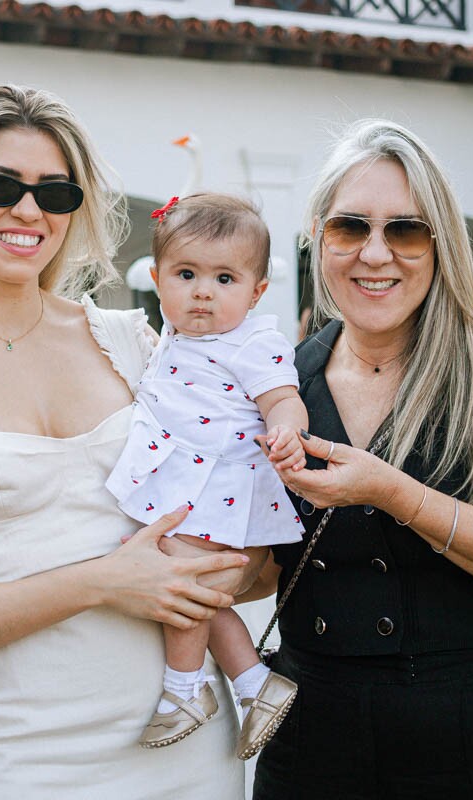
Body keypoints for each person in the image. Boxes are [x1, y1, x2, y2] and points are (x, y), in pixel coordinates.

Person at [0, 85, 251, 798]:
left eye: (55, 193)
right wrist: (102, 581)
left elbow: (222, 510)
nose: (27, 211)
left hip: (185, 746)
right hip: (21, 759)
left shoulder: (134, 344)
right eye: (0, 185)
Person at [249, 119, 473, 799]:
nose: (377, 254)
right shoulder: (282, 377)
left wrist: (395, 494)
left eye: (405, 230)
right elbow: (270, 562)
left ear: (440, 244)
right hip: (313, 731)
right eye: (351, 227)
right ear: (317, 233)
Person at [105, 193, 305, 758]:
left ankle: (185, 689)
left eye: (224, 278)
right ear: (158, 277)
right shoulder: (172, 335)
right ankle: (254, 683)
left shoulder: (252, 341)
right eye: (186, 274)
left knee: (187, 589)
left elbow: (284, 398)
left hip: (219, 486)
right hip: (185, 485)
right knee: (206, 595)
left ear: (256, 291)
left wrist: (287, 430)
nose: (202, 292)